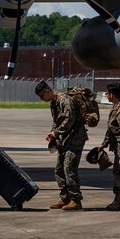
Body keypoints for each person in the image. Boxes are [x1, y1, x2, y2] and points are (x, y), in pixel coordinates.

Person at [36, 80, 88, 211]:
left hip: (75, 139)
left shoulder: (65, 100)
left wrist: (56, 132)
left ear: (48, 91)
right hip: (64, 140)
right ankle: (65, 198)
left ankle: (76, 200)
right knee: (59, 170)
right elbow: (56, 121)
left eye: (42, 96)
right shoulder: (53, 104)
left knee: (69, 168)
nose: (42, 99)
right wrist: (52, 133)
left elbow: (69, 120)